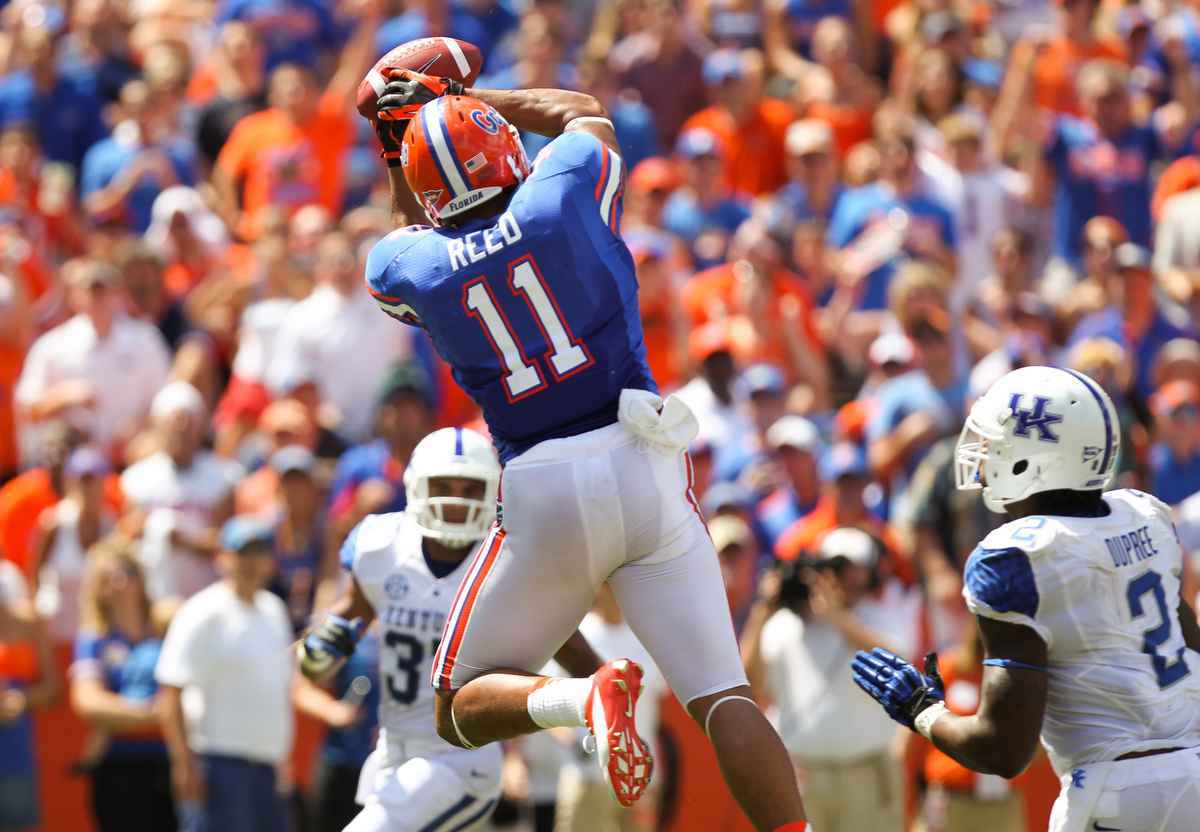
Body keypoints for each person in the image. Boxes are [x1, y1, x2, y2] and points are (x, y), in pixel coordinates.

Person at [303, 73, 809, 830]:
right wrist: (472, 98)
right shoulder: (563, 189)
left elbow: (408, 239)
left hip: (541, 481)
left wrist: (402, 138)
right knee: (723, 694)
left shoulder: (418, 266)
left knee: (459, 706)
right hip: (641, 456)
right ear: (506, 149)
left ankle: (582, 696)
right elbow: (581, 113)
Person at [852, 365, 1200, 831]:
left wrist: (921, 710)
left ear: (1033, 457)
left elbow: (1003, 749)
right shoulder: (1143, 513)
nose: (984, 455)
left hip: (1115, 797)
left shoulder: (1017, 554)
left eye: (996, 444)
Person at [299, 427, 599, 831]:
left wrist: (609, 702)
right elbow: (348, 615)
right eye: (443, 485)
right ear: (416, 486)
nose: (455, 499)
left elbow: (573, 649)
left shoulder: (508, 564)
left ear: (491, 492)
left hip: (461, 760)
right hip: (393, 755)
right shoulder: (382, 546)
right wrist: (319, 652)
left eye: (469, 487)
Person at [742, 527, 918, 832]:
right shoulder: (786, 623)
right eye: (835, 567)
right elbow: (750, 687)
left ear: (871, 573)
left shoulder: (882, 617)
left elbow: (900, 665)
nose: (843, 577)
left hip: (865, 775)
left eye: (852, 568)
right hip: (802, 777)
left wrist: (838, 618)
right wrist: (761, 611)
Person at [155, 517, 293, 832]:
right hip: (216, 764)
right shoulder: (202, 612)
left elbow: (277, 688)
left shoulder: (274, 609)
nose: (252, 562)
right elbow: (171, 690)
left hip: (265, 767)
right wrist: (184, 764)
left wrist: (281, 759)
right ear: (223, 558)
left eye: (260, 552)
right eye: (244, 552)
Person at [70, 538, 176, 832]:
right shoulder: (95, 639)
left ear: (141, 579)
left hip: (172, 763)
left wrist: (118, 716)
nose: (118, 584)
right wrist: (156, 713)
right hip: (118, 769)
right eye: (106, 579)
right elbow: (89, 703)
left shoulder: (168, 625)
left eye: (125, 574)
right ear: (97, 590)